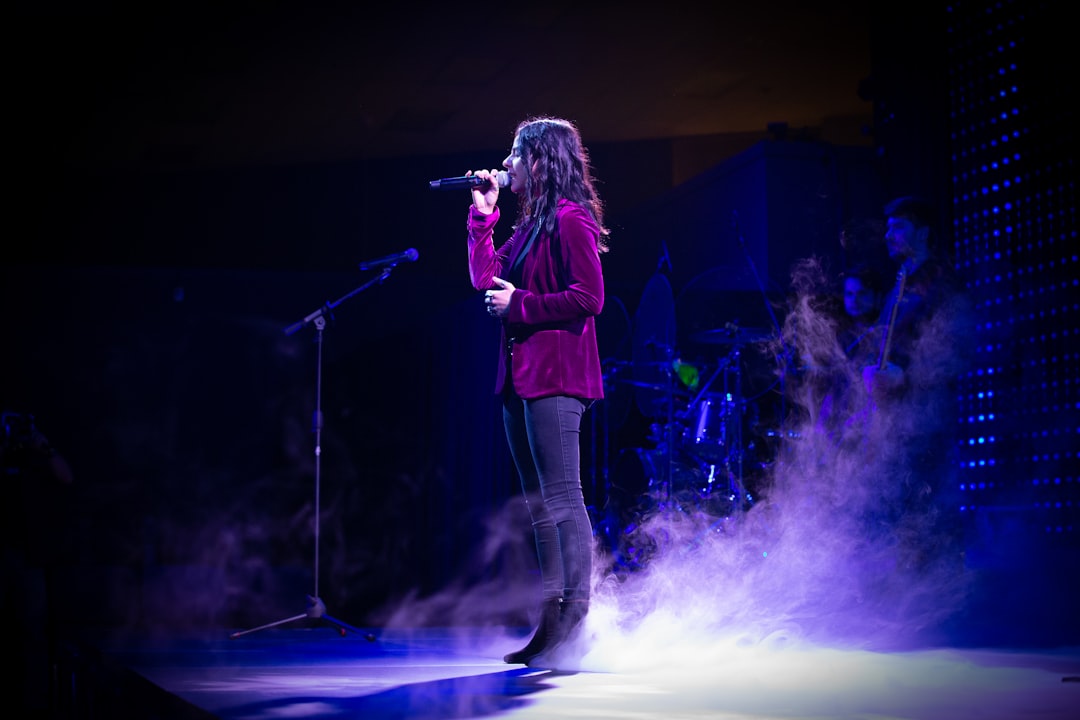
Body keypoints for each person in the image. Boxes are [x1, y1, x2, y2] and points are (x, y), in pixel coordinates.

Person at [465, 116, 609, 666]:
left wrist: (519, 305)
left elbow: (588, 298)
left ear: (542, 160)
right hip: (520, 377)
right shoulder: (527, 228)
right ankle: (552, 615)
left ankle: (574, 615)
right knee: (539, 504)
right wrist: (483, 219)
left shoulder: (573, 221)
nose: (506, 165)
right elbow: (485, 279)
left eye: (516, 155)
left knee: (562, 498)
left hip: (556, 377)